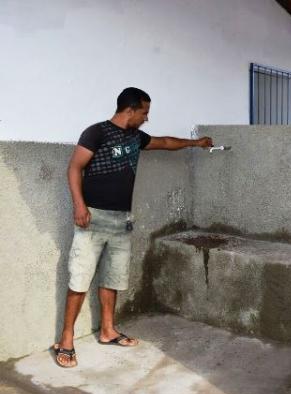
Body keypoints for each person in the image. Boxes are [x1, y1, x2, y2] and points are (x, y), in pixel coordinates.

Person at [53, 87, 213, 367]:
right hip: (93, 218)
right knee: (79, 279)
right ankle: (66, 340)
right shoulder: (97, 132)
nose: (146, 118)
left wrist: (195, 143)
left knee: (113, 278)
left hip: (121, 219)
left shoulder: (135, 137)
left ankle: (107, 330)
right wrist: (79, 206)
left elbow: (163, 142)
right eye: (144, 112)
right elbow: (74, 168)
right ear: (130, 110)